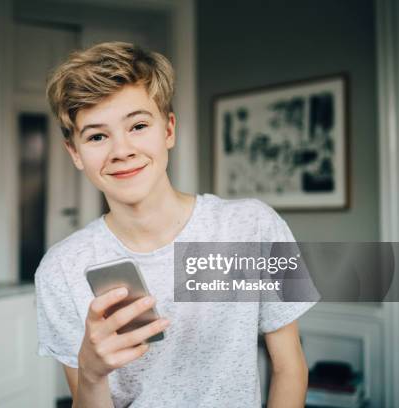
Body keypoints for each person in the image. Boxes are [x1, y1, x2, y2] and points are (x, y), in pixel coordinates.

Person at [35, 41, 317, 407]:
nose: (121, 150)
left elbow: (289, 368)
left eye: (137, 125)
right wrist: (90, 373)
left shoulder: (253, 226)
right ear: (75, 152)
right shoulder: (59, 270)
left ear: (168, 130)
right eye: (97, 136)